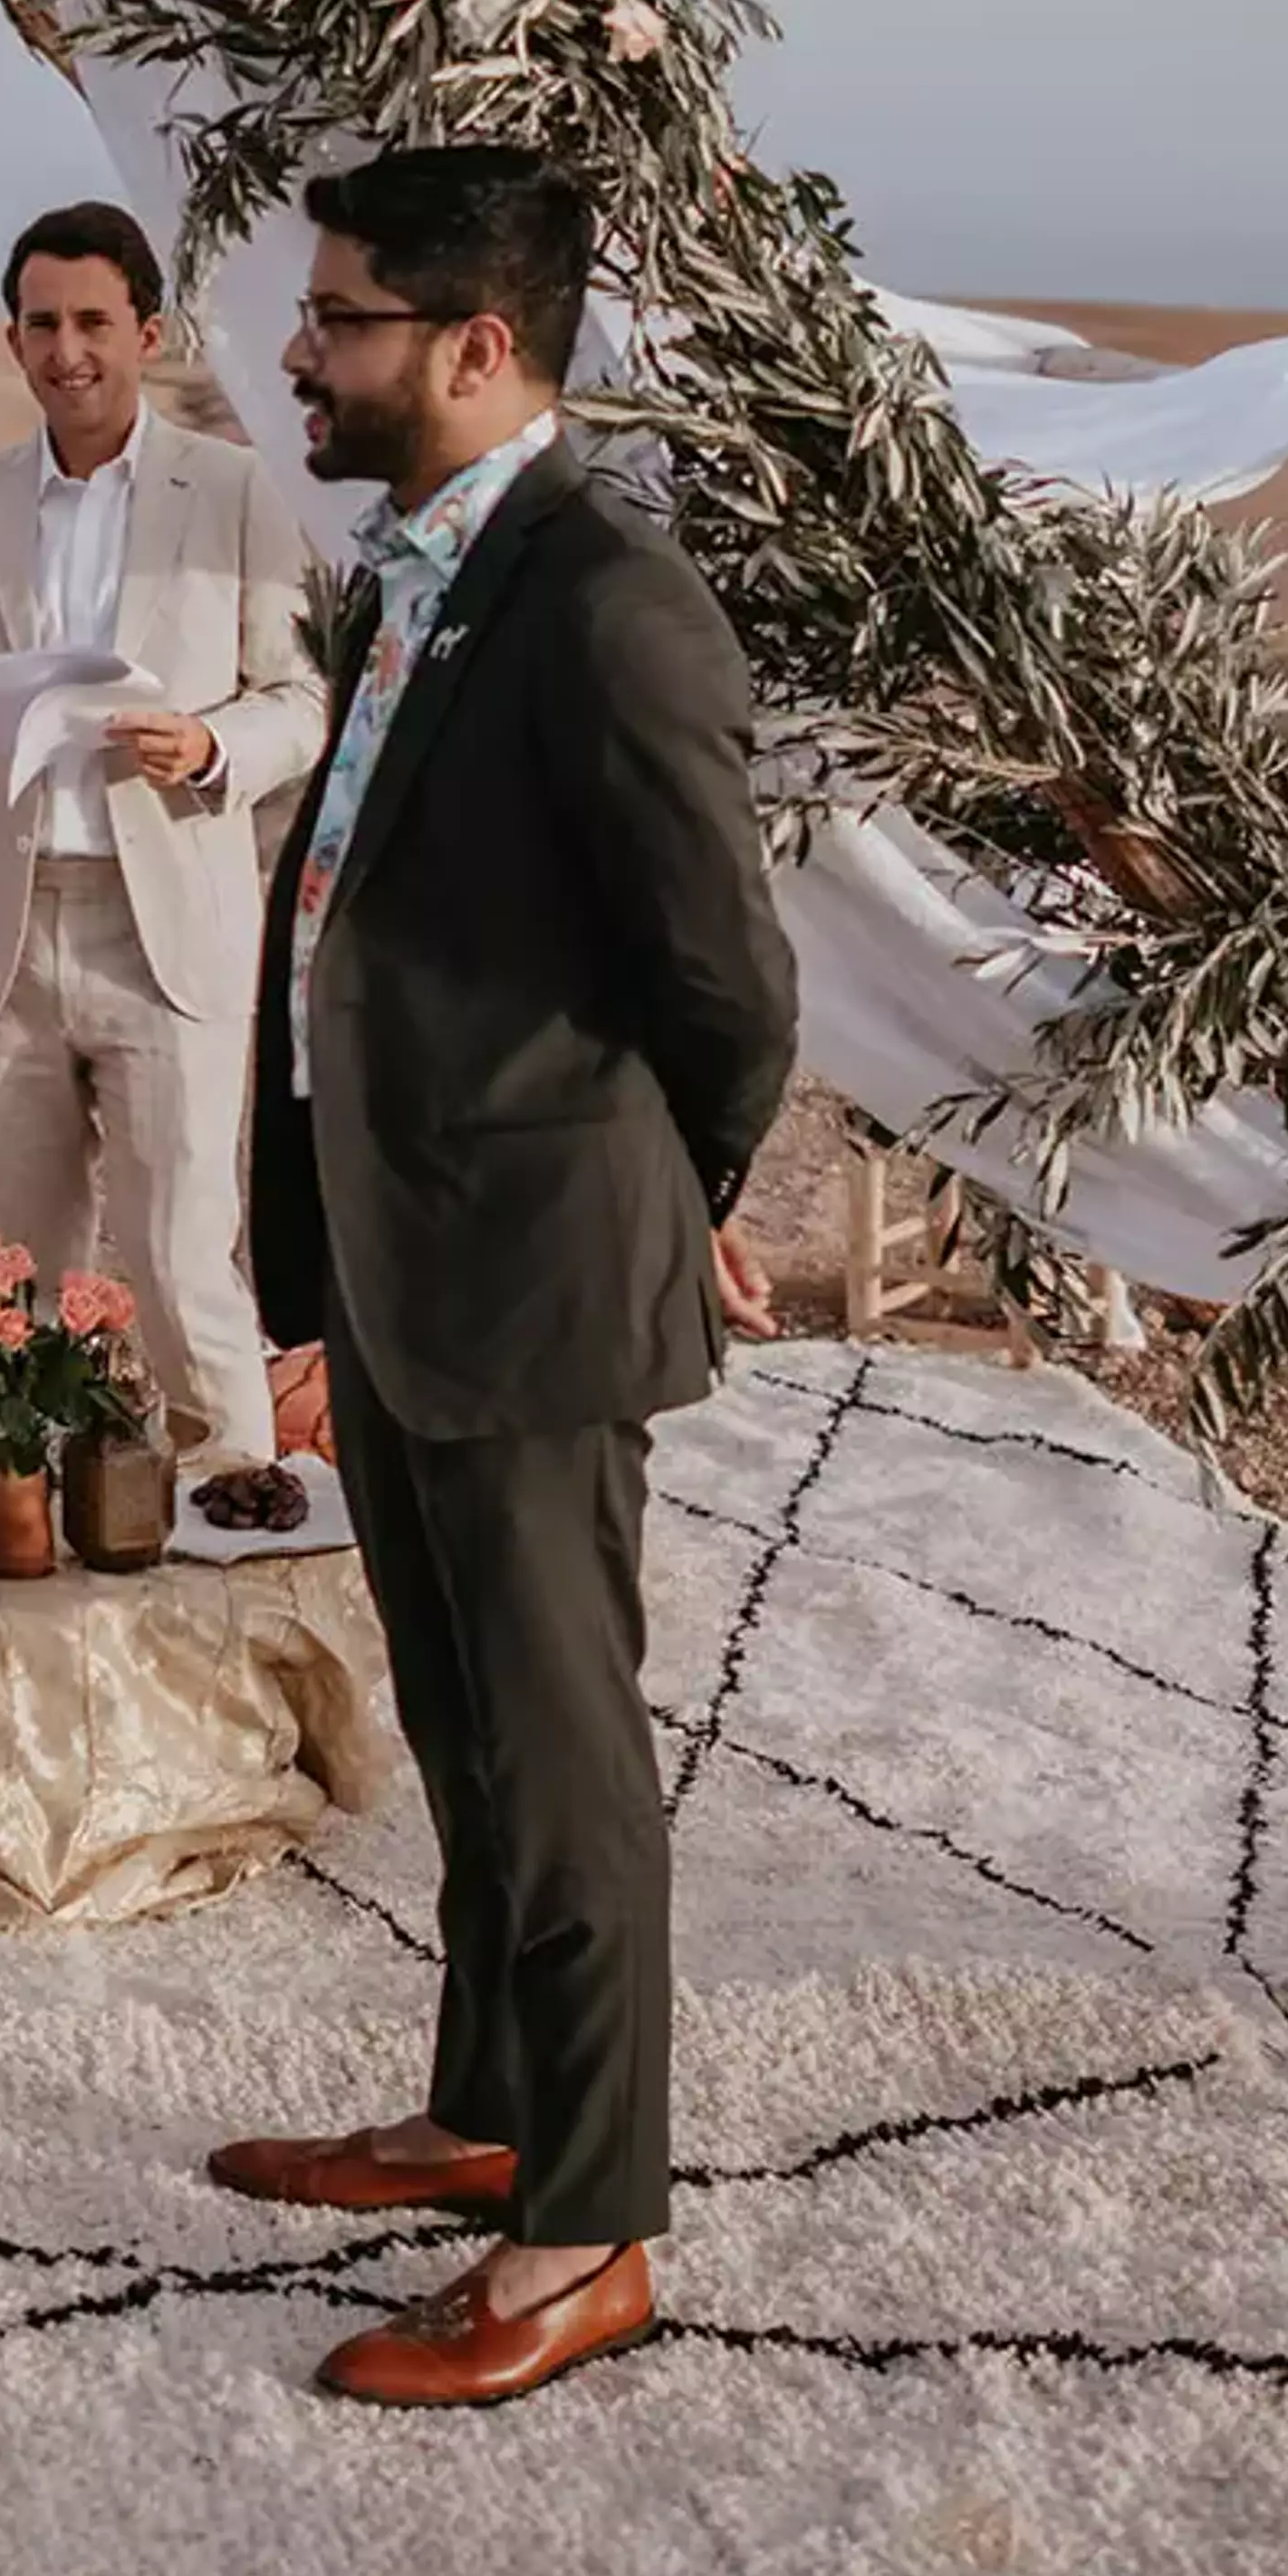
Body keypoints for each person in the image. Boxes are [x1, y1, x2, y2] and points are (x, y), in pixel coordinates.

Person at [212, 147, 797, 2411]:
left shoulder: (604, 600)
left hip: (530, 1261)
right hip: (395, 1245)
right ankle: (484, 2110)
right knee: (457, 1720)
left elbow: (725, 981)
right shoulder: (421, 570)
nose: (296, 350)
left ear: (476, 347)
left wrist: (651, 1186)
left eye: (339, 317)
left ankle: (588, 2228)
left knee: (561, 1761)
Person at [0, 203, 322, 1475]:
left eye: (94, 323)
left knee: (179, 1263)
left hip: (166, 933)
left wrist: (212, 743)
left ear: (148, 333)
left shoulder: (233, 492)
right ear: (13, 342)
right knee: (18, 1278)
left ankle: (233, 1517)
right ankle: (33, 1533)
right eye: (44, 324)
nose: (70, 350)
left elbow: (302, 701)